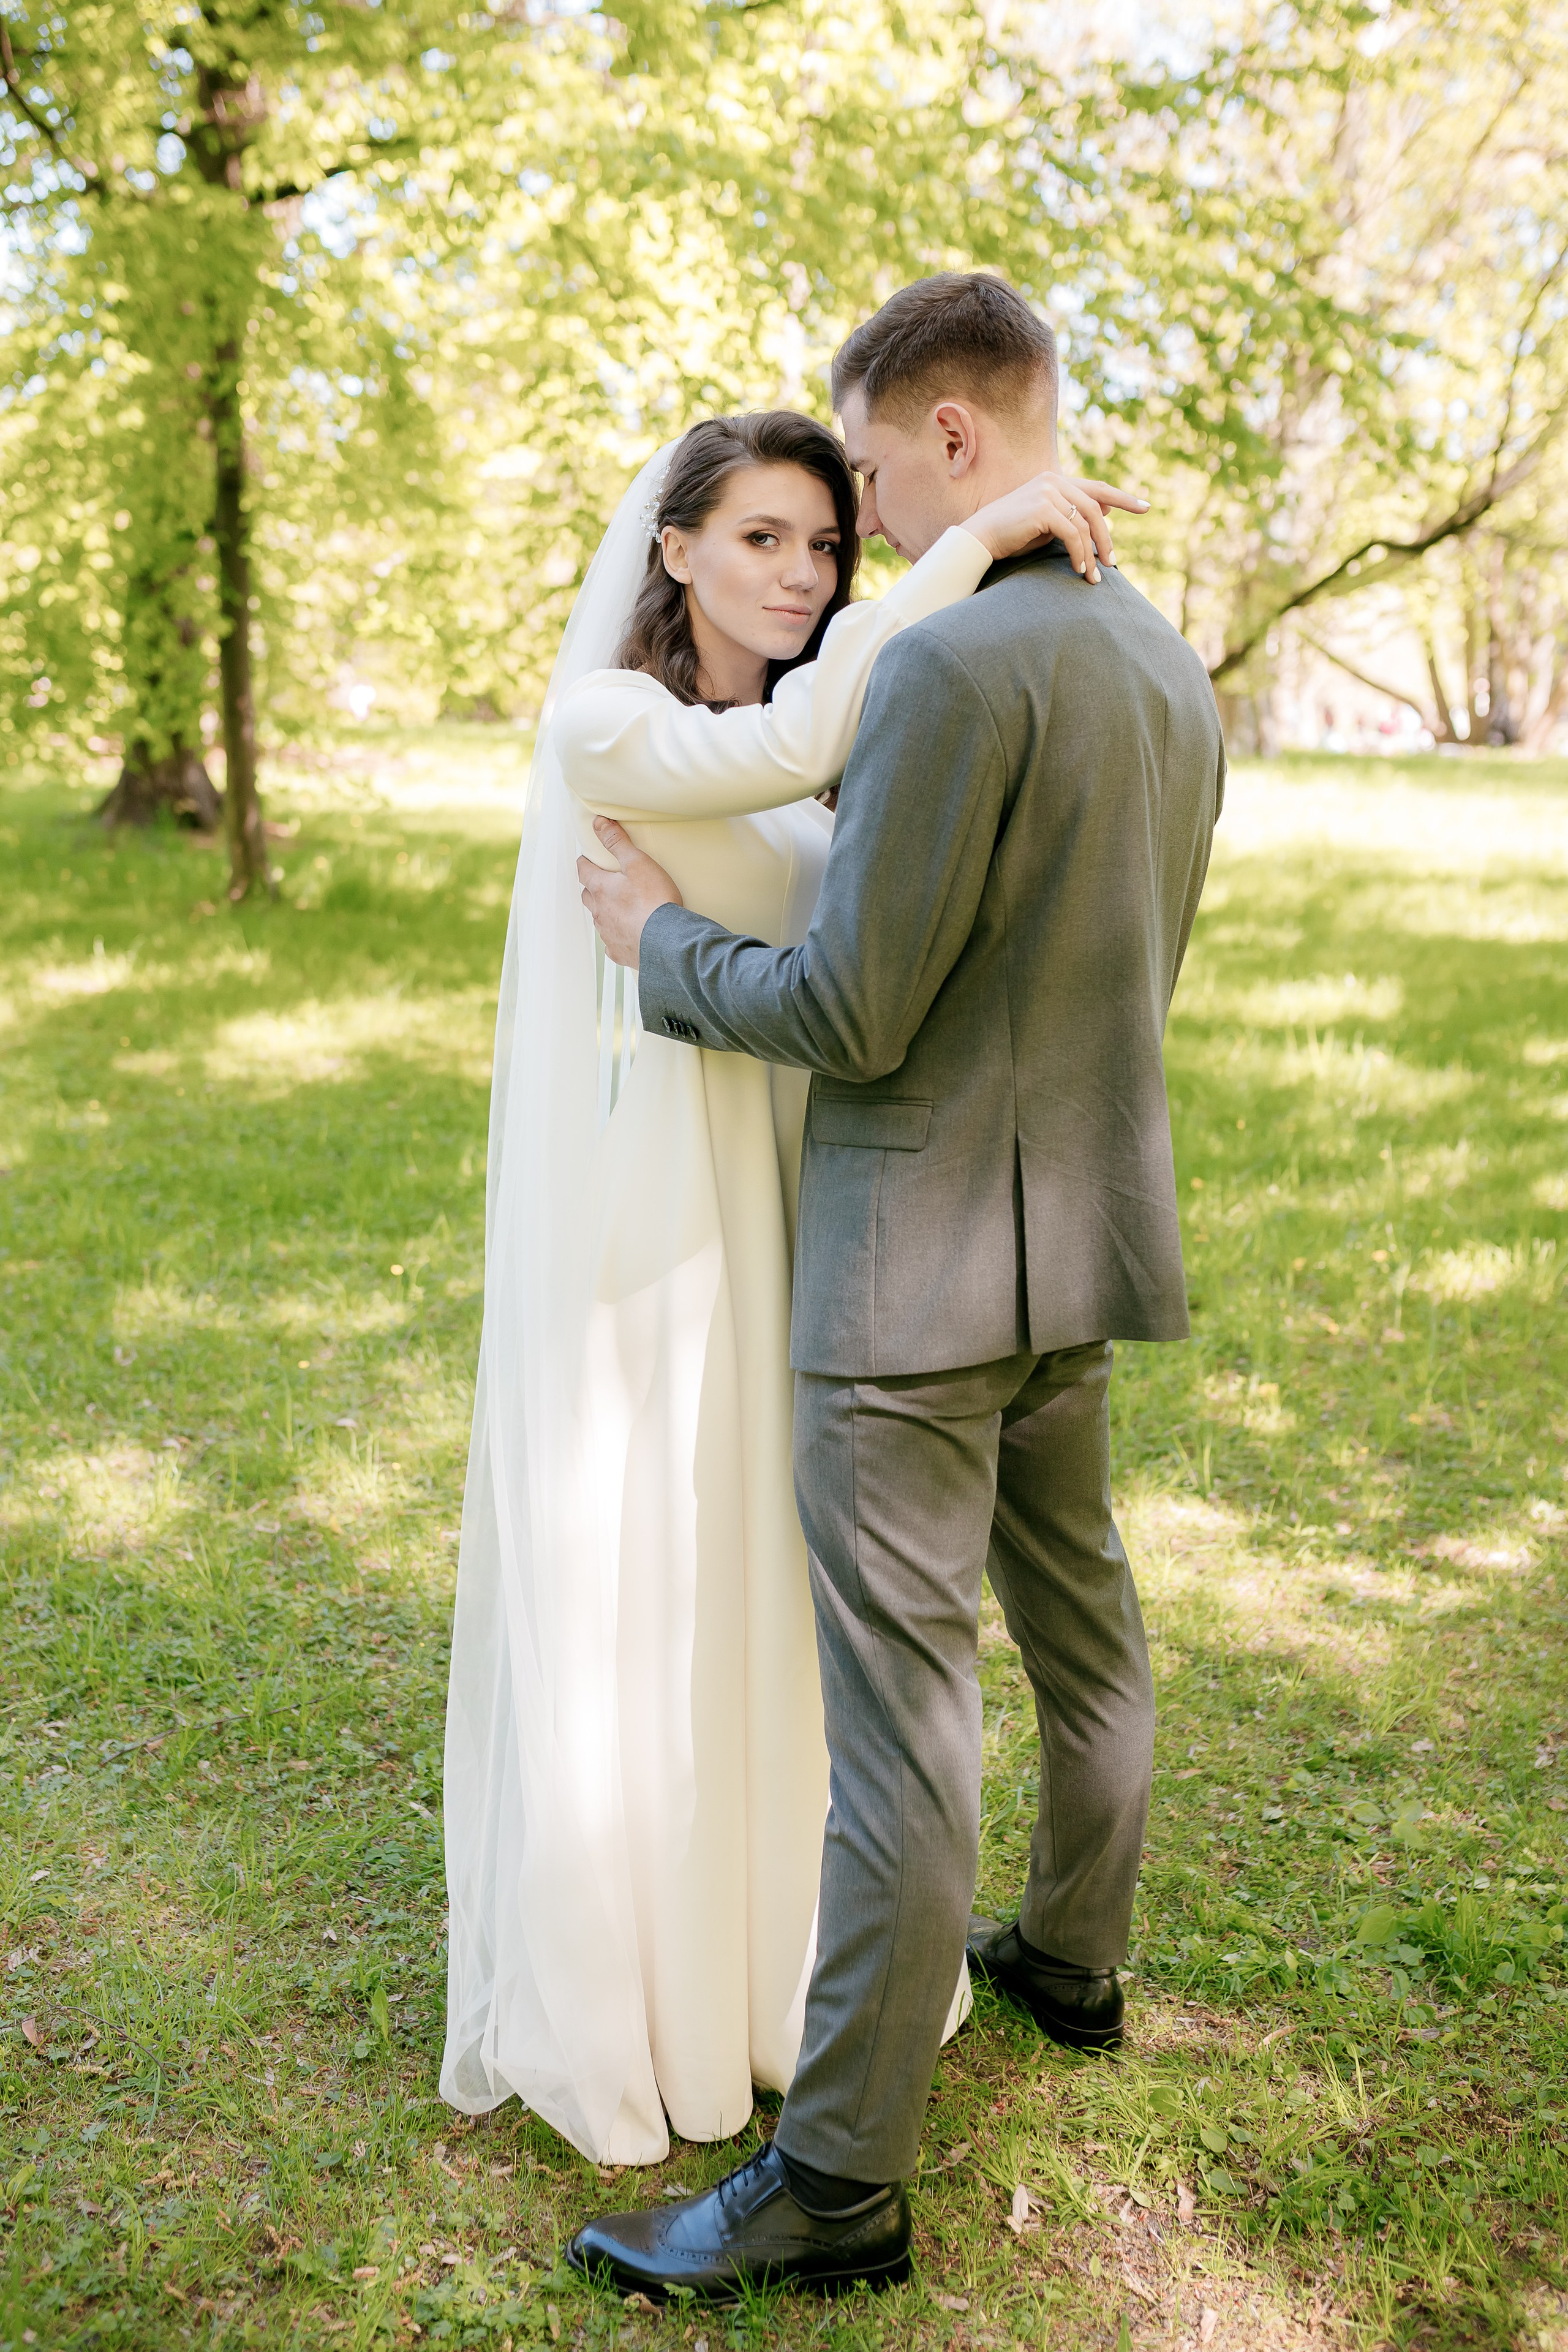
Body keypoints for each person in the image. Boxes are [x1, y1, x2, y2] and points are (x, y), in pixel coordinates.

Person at [570, 273, 1225, 2296]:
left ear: (954, 439)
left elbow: (857, 1009)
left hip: (913, 1279)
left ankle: (839, 2180)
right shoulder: (1168, 668)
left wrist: (663, 949)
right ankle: (1080, 1957)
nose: (858, 514)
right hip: (1084, 1239)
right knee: (1088, 1628)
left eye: (864, 468)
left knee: (906, 1732)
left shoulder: (946, 678)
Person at [440, 403, 1138, 2167]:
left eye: (829, 545)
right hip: (671, 1225)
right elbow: (830, 718)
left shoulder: (793, 742)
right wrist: (972, 543)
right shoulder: (618, 721)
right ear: (673, 548)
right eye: (764, 538)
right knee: (672, 1580)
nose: (808, 573)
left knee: (785, 1596)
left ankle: (783, 1981)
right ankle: (647, 1995)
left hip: (815, 1210)